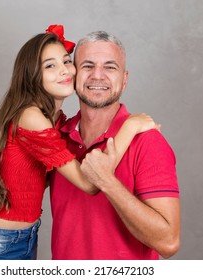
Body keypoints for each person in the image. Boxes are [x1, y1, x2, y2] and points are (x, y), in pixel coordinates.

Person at [0, 25, 160, 260]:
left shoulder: (55, 121)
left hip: (24, 236)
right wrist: (130, 126)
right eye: (50, 66)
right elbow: (90, 184)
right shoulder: (31, 116)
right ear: (32, 76)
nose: (64, 71)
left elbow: (30, 180)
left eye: (66, 61)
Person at [49, 31, 180, 260]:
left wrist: (107, 182)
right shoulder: (56, 138)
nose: (97, 76)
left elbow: (168, 242)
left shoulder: (148, 142)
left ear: (125, 79)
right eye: (88, 66)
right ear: (73, 74)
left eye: (110, 67)